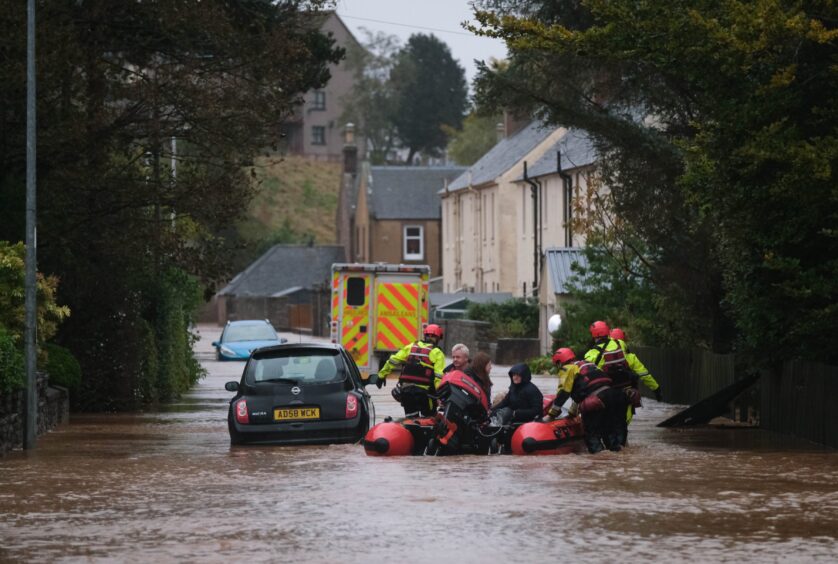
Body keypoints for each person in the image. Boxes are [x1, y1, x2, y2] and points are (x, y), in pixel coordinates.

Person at [585, 320, 658, 444]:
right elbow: (644, 374)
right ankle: (622, 447)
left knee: (607, 429)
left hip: (606, 395)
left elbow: (587, 379)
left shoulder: (591, 354)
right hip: (624, 395)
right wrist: (656, 389)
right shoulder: (623, 351)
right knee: (621, 426)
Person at [545, 347, 626, 453]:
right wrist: (572, 413)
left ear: (560, 362)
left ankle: (599, 462)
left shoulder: (567, 368)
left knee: (591, 434)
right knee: (608, 432)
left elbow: (564, 393)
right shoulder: (588, 364)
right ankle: (615, 458)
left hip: (596, 400)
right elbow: (581, 393)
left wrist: (551, 415)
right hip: (613, 396)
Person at [377, 324, 446, 417]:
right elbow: (438, 377)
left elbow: (393, 360)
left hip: (406, 391)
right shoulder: (437, 353)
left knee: (411, 420)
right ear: (438, 338)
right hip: (425, 394)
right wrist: (440, 396)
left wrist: (381, 375)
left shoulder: (411, 347)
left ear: (425, 336)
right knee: (429, 420)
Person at [609, 327, 662, 402]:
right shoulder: (630, 357)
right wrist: (656, 388)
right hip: (626, 394)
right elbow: (644, 375)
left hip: (608, 394)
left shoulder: (600, 354)